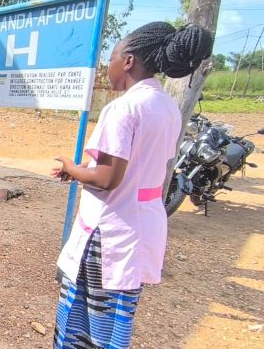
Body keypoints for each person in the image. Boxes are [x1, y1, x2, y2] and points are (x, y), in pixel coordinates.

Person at [51, 21, 213, 348]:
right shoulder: (168, 107)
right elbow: (140, 167)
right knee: (114, 323)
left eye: (112, 56)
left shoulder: (123, 108)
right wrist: (83, 171)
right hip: (142, 229)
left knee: (85, 323)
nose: (106, 66)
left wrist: (71, 166)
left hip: (109, 233)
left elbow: (109, 178)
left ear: (128, 61)